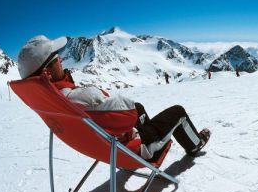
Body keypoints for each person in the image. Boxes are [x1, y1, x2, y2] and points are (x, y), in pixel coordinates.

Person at [17, 35, 211, 160]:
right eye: (56, 58)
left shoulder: (52, 101)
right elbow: (128, 112)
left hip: (107, 147)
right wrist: (131, 130)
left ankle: (153, 133)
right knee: (177, 112)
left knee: (140, 107)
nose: (61, 59)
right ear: (47, 73)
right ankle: (194, 146)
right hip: (133, 150)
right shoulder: (79, 98)